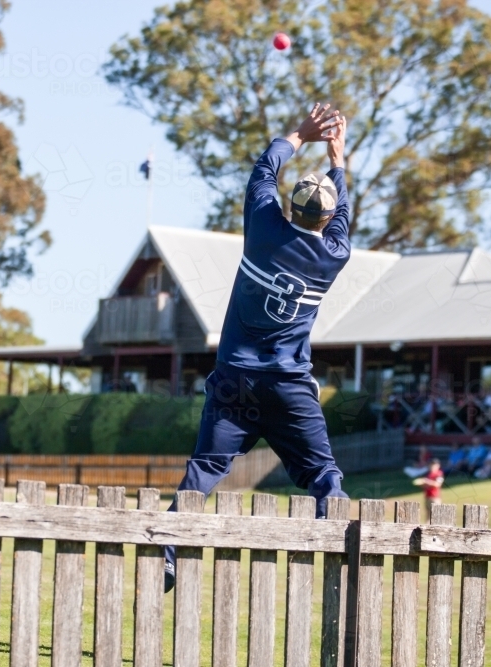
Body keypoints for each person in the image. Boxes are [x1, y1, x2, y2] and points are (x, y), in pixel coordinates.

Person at [162, 104, 350, 593]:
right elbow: (342, 214)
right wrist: (339, 161)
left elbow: (265, 169)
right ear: (326, 218)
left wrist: (299, 135)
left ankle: (166, 553)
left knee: (204, 470)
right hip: (289, 387)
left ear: (291, 208)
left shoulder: (264, 228)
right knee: (324, 475)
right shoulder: (335, 255)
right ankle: (336, 556)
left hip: (236, 381)